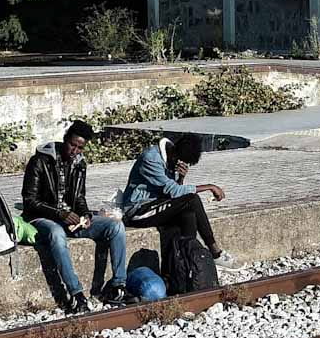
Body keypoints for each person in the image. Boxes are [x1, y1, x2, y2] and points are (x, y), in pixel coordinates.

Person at [21, 121, 129, 313]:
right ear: (65, 140)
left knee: (116, 227)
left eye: (80, 147)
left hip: (71, 219)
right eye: (73, 145)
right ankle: (76, 294)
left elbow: (79, 197)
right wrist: (59, 213)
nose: (75, 151)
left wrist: (85, 214)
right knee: (56, 235)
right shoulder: (40, 161)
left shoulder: (80, 164)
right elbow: (30, 201)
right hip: (43, 217)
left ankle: (118, 285)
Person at [119, 132, 241, 270]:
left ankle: (189, 261)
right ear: (174, 155)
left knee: (188, 214)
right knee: (193, 199)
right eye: (182, 161)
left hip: (157, 205)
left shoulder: (171, 158)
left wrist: (180, 177)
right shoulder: (151, 159)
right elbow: (174, 191)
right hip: (138, 210)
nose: (183, 164)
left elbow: (174, 192)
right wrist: (210, 187)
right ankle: (215, 252)